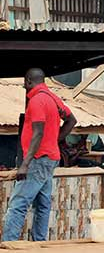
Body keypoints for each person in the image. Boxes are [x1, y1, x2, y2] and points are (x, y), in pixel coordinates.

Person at [2, 68, 77, 242]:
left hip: (37, 159)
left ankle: (9, 244)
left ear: (29, 81)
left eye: (24, 84)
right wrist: (54, 140)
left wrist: (25, 164)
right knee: (43, 204)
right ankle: (39, 243)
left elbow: (38, 133)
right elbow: (71, 120)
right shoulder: (53, 98)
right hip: (50, 158)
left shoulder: (36, 101)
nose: (24, 87)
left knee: (18, 204)